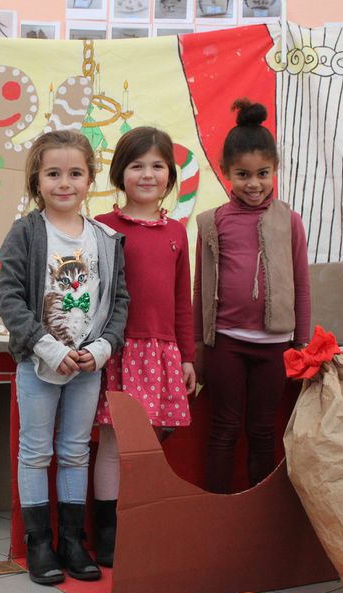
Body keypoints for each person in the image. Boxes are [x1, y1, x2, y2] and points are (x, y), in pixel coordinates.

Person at [0, 129, 129, 585]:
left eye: (75, 173)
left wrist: (100, 349)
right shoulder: (26, 233)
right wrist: (47, 347)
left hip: (88, 366)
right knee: (36, 453)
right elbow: (9, 297)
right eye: (53, 174)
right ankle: (40, 543)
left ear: (90, 180)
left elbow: (118, 303)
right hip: (39, 363)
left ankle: (73, 540)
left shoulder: (106, 239)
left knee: (74, 452)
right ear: (37, 180)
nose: (64, 183)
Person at [192, 99, 311, 494]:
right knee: (223, 428)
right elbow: (201, 288)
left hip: (275, 347)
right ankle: (218, 512)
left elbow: (301, 282)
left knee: (263, 430)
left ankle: (258, 513)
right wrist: (199, 347)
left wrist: (302, 343)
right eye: (242, 174)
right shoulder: (213, 222)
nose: (254, 183)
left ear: (274, 170)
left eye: (263, 173)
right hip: (226, 343)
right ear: (226, 173)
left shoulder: (289, 221)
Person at [91, 126, 196, 567]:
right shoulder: (101, 228)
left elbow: (181, 299)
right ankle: (107, 533)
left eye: (157, 165)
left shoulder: (176, 232)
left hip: (160, 353)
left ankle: (140, 521)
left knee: (149, 445)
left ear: (170, 176)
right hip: (116, 350)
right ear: (120, 173)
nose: (147, 174)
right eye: (137, 165)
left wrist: (187, 356)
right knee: (114, 444)